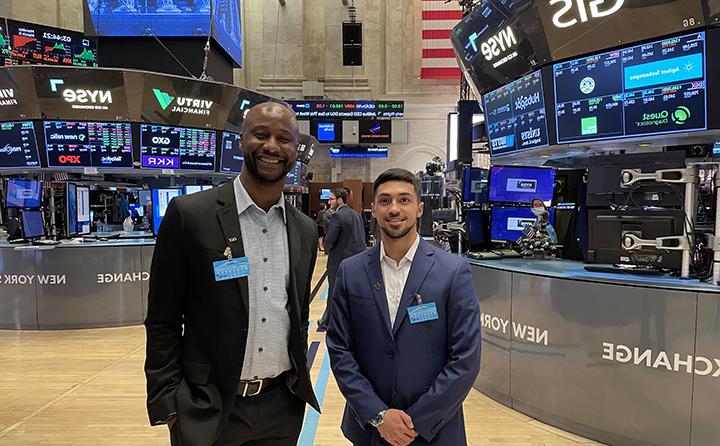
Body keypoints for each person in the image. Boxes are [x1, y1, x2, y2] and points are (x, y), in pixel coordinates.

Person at [144, 102, 320, 446]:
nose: (272, 146)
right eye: (261, 134)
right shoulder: (190, 215)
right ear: (241, 141)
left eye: (284, 138)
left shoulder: (305, 229)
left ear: (295, 149)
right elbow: (163, 318)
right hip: (208, 408)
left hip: (280, 408)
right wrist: (169, 403)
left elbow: (296, 314)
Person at [326, 168, 481, 446]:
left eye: (404, 200)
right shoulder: (351, 272)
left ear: (420, 208)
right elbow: (340, 349)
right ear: (373, 209)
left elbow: (465, 358)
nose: (394, 208)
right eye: (384, 201)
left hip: (435, 429)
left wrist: (417, 421)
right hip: (371, 429)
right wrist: (378, 415)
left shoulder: (453, 271)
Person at [319, 187, 366, 328]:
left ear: (340, 200)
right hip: (358, 260)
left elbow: (330, 240)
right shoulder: (356, 214)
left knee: (334, 290)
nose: (328, 202)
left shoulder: (337, 216)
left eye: (331, 198)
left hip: (339, 261)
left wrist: (326, 249)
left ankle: (329, 321)